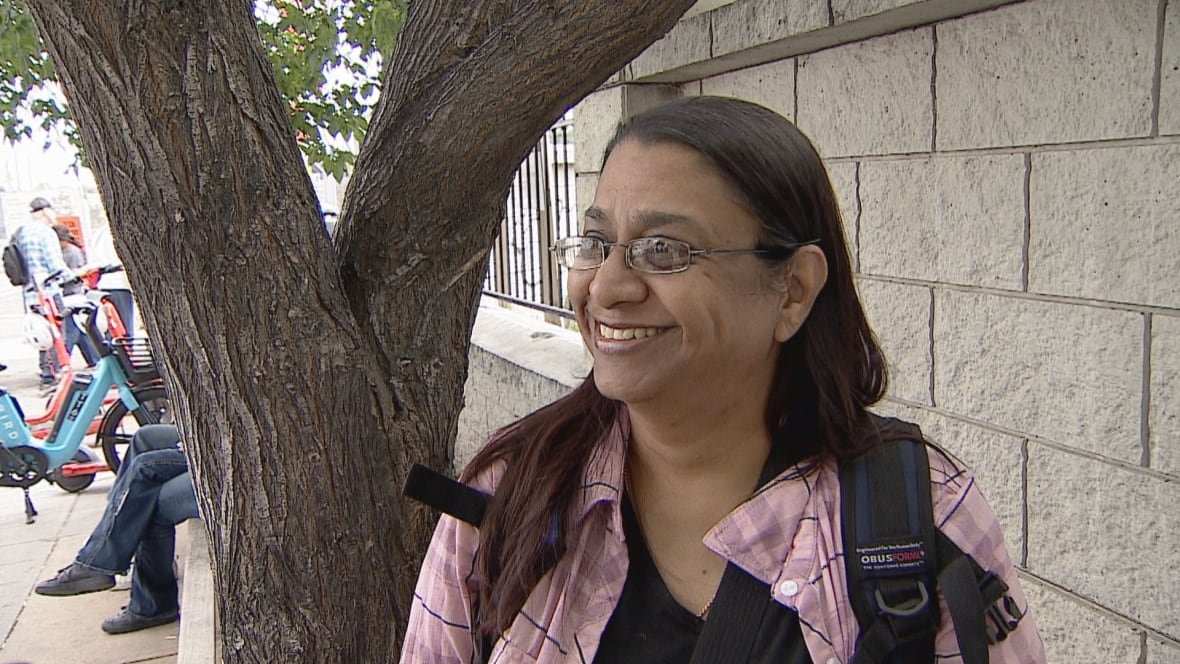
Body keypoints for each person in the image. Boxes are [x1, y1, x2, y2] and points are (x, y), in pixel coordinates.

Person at [401, 98, 1044, 662]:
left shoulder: (916, 515)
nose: (607, 287)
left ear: (791, 291)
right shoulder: (511, 495)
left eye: (664, 250)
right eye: (597, 242)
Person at [34, 425, 197, 635]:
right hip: (219, 439)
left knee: (144, 500)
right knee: (145, 438)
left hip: (239, 461)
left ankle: (149, 602)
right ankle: (110, 539)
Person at [12, 197, 99, 379]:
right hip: (50, 293)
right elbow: (57, 268)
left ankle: (47, 372)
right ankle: (56, 376)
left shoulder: (20, 233)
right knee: (58, 335)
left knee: (43, 336)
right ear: (45, 211)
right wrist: (79, 274)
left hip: (30, 294)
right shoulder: (45, 232)